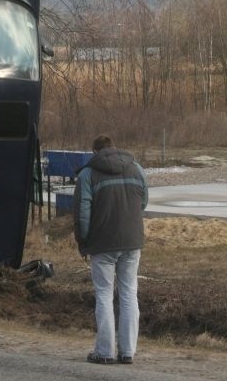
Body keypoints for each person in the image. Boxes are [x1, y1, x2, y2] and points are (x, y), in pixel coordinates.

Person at [73, 134, 148, 365]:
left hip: (102, 243)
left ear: (95, 152)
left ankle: (104, 352)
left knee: (104, 295)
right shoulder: (136, 169)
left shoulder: (88, 174)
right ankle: (127, 352)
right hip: (132, 241)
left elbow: (82, 214)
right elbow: (143, 201)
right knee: (129, 293)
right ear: (115, 148)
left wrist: (83, 242)